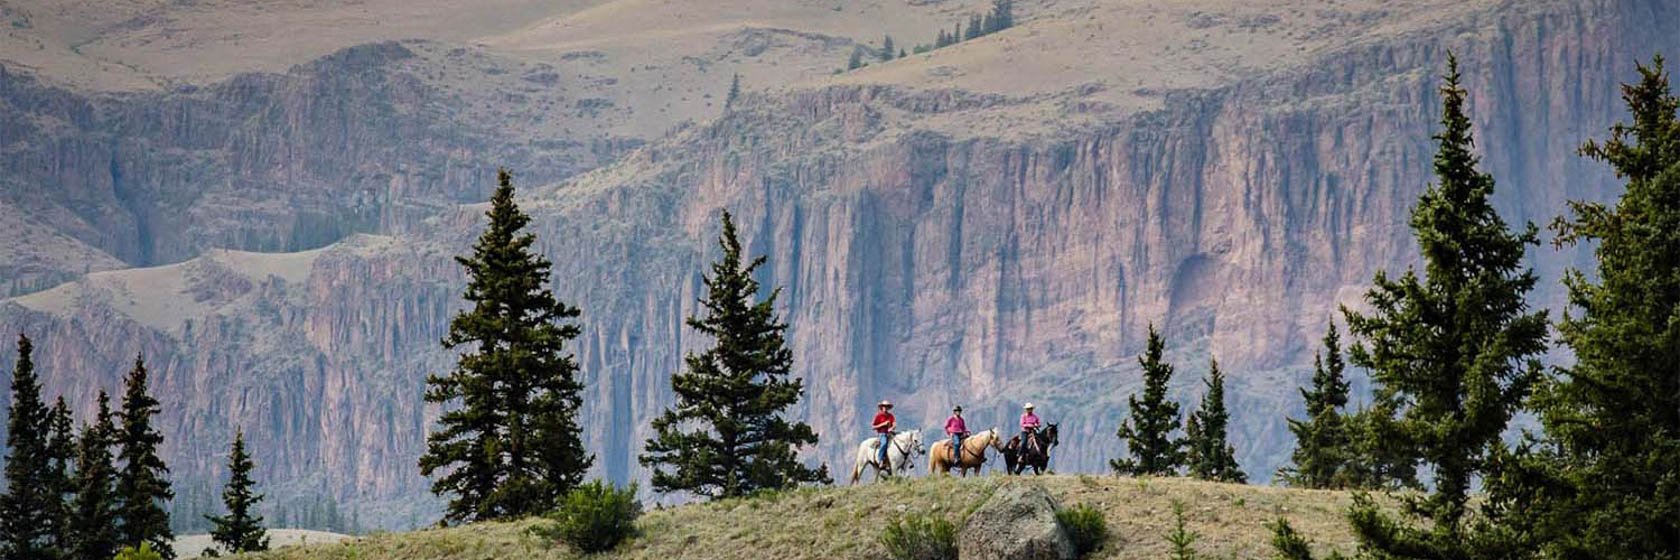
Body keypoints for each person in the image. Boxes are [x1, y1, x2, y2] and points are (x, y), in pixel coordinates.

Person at [872, 400, 897, 469]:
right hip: (882, 434)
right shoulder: (879, 416)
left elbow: (894, 424)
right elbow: (873, 427)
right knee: (884, 443)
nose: (885, 408)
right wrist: (883, 424)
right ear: (882, 407)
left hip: (890, 433)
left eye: (887, 407)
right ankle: (880, 460)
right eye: (884, 406)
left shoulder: (891, 416)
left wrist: (892, 428)